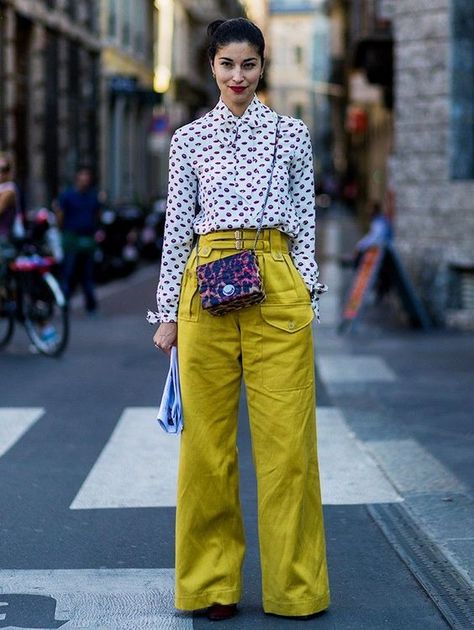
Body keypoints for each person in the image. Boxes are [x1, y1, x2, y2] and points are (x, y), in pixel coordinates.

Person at [150, 18, 330, 621]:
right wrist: (167, 313)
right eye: (227, 65)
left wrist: (308, 293)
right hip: (206, 282)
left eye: (248, 64)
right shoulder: (188, 140)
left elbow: (305, 221)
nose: (237, 77)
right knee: (206, 448)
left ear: (263, 66)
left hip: (276, 281)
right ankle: (210, 586)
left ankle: (296, 588)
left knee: (289, 448)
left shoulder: (292, 134)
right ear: (211, 68)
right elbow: (177, 229)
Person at [57, 166, 101, 315]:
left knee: (87, 275)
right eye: (83, 175)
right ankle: (64, 304)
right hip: (72, 238)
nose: (85, 179)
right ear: (77, 177)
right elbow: (60, 215)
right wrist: (63, 230)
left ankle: (91, 307)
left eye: (87, 176)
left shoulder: (92, 196)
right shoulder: (67, 195)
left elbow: (97, 214)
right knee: (68, 273)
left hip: (87, 239)